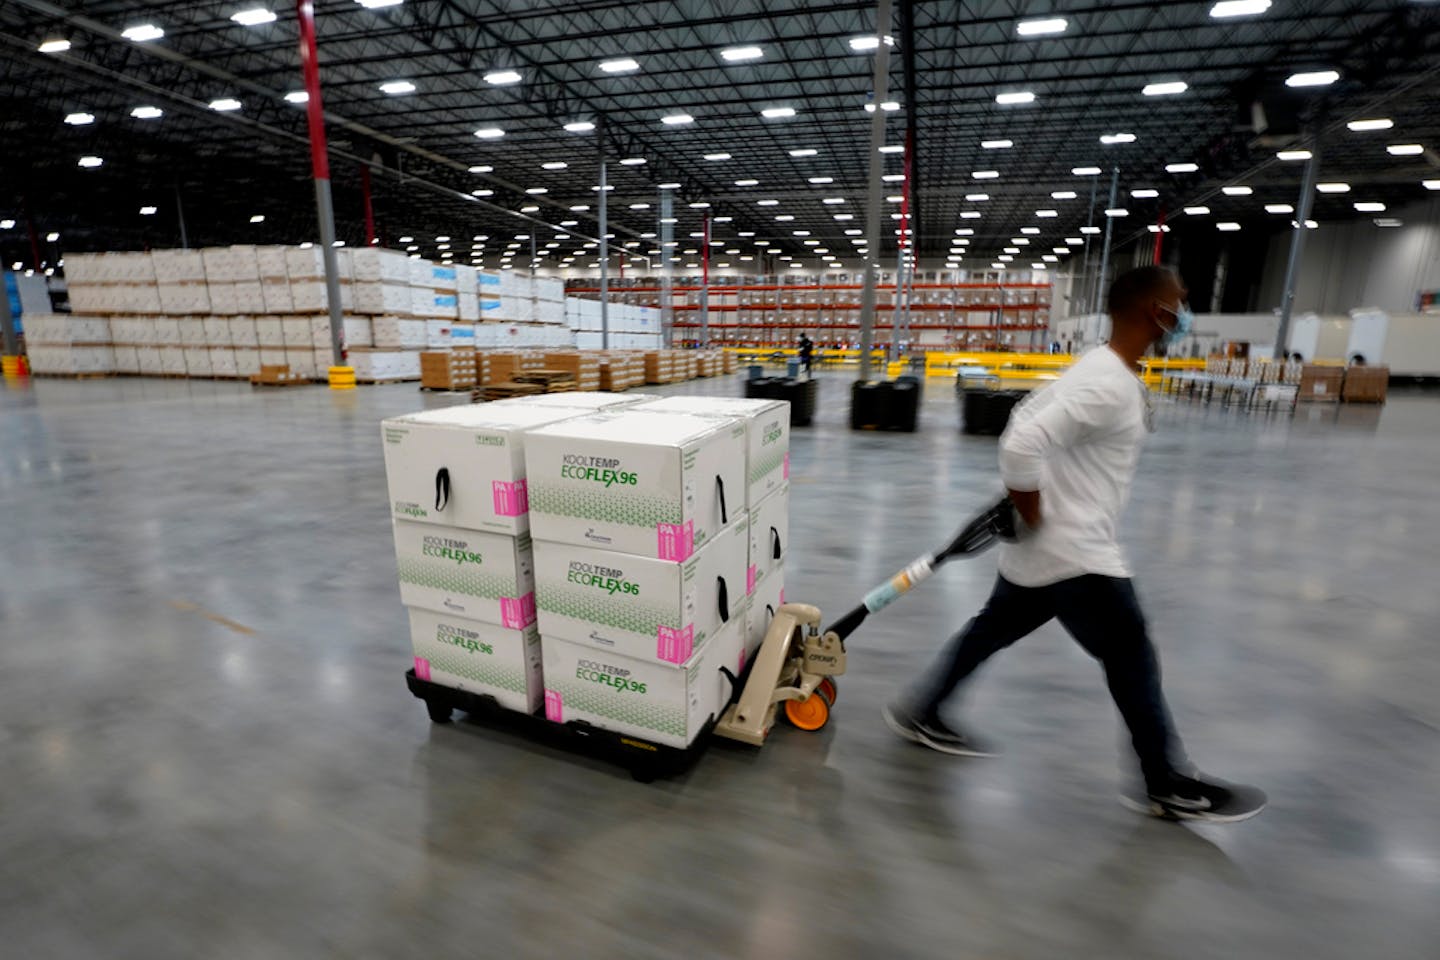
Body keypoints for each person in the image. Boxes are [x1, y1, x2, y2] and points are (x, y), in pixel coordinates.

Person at [884, 265, 1264, 823]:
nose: (1184, 315)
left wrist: (1031, 514)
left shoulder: (1101, 368)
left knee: (990, 630)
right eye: (1179, 304)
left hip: (1043, 551)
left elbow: (1024, 415)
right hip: (1076, 554)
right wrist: (1034, 508)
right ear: (1151, 311)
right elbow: (1021, 443)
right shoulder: (1105, 380)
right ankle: (1165, 780)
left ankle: (924, 710)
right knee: (1131, 651)